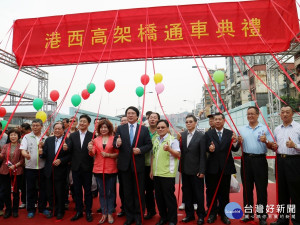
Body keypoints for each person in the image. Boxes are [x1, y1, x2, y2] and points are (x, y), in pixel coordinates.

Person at [113, 106, 152, 225]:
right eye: (128, 113)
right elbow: (115, 143)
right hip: (124, 166)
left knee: (139, 192)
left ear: (137, 116)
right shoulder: (120, 128)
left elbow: (149, 145)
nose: (130, 115)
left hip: (138, 165)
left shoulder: (143, 129)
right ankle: (129, 217)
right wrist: (117, 143)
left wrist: (140, 150)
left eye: (132, 113)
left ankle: (139, 215)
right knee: (127, 192)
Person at [238, 106, 273, 225]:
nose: (250, 116)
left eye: (252, 114)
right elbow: (236, 146)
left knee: (261, 189)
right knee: (247, 189)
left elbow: (272, 146)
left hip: (260, 160)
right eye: (248, 114)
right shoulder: (242, 129)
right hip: (246, 160)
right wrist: (236, 141)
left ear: (258, 115)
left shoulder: (264, 128)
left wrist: (266, 141)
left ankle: (262, 215)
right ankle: (248, 213)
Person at [204, 113, 239, 224]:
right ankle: (212, 213)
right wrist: (210, 149)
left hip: (225, 167)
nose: (217, 121)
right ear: (213, 121)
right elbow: (205, 148)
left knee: (224, 192)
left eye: (219, 119)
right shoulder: (208, 134)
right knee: (211, 191)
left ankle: (224, 214)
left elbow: (235, 148)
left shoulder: (230, 133)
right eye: (215, 119)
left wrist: (236, 141)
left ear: (224, 121)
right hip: (212, 168)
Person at [270, 106, 300, 225]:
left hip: (294, 161)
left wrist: (295, 145)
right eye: (282, 112)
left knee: (296, 192)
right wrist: (273, 146)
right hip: (280, 161)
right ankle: (283, 219)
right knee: (282, 192)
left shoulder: (298, 127)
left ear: (292, 114)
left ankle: (297, 220)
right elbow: (276, 145)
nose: (285, 114)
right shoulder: (277, 129)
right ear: (280, 115)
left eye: (287, 112)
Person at [88, 119, 119, 224]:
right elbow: (93, 154)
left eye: (105, 127)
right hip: (98, 169)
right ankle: (104, 213)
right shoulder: (96, 140)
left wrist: (109, 155)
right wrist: (90, 149)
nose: (103, 129)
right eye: (101, 127)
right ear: (99, 129)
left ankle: (110, 212)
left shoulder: (114, 139)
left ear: (109, 128)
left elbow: (118, 154)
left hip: (111, 169)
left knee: (110, 193)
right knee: (102, 192)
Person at [151, 119, 180, 225]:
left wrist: (169, 150)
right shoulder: (155, 140)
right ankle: (163, 217)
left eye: (163, 127)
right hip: (156, 173)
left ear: (167, 128)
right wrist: (151, 171)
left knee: (169, 198)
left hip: (168, 173)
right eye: (158, 128)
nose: (160, 129)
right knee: (159, 198)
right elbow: (153, 156)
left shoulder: (173, 140)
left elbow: (179, 155)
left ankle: (172, 219)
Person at [39, 122, 70, 220]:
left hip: (61, 171)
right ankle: (53, 209)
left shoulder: (67, 141)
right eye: (55, 129)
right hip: (49, 170)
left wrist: (61, 160)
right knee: (50, 192)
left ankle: (60, 211)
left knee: (60, 192)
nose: (57, 130)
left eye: (59, 129)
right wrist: (41, 152)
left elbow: (70, 155)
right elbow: (45, 154)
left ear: (63, 130)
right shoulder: (49, 140)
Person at [20, 119, 50, 218]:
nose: (35, 127)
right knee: (30, 189)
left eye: (37, 125)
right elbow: (23, 150)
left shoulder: (46, 138)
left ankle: (42, 208)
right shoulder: (26, 137)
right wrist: (26, 155)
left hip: (42, 167)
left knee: (43, 189)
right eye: (33, 125)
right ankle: (31, 209)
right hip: (30, 168)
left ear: (41, 126)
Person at [180, 114, 206, 225]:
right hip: (185, 170)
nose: (188, 123)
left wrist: (202, 170)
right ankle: (189, 215)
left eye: (190, 121)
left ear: (195, 123)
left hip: (196, 171)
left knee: (199, 195)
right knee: (187, 194)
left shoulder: (201, 136)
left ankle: (201, 216)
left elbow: (202, 155)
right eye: (187, 122)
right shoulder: (183, 135)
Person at [67, 114, 94, 222]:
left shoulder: (92, 136)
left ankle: (88, 211)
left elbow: (94, 152)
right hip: (76, 167)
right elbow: (69, 150)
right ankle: (78, 211)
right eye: (81, 121)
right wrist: (66, 147)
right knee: (77, 190)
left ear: (88, 124)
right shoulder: (73, 136)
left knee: (88, 191)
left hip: (87, 167)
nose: (82, 123)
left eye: (84, 121)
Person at [0, 128, 24, 218]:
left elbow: (22, 160)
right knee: (6, 192)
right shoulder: (5, 146)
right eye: (11, 135)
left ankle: (15, 210)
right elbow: (2, 156)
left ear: (18, 136)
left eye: (15, 135)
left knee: (16, 192)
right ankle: (8, 210)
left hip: (17, 171)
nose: (13, 136)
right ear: (9, 136)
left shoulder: (21, 146)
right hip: (4, 171)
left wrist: (15, 166)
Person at [144, 112, 160, 220]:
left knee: (159, 190)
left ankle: (164, 213)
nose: (152, 119)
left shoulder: (162, 131)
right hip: (144, 164)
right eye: (150, 118)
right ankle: (150, 210)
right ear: (148, 119)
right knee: (148, 190)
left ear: (158, 119)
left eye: (155, 118)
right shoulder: (143, 131)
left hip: (158, 165)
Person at [117, 115, 128, 217]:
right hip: (121, 165)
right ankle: (123, 208)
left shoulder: (136, 131)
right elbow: (114, 145)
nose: (124, 122)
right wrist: (117, 143)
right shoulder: (118, 132)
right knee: (122, 189)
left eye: (126, 120)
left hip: (133, 165)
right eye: (122, 121)